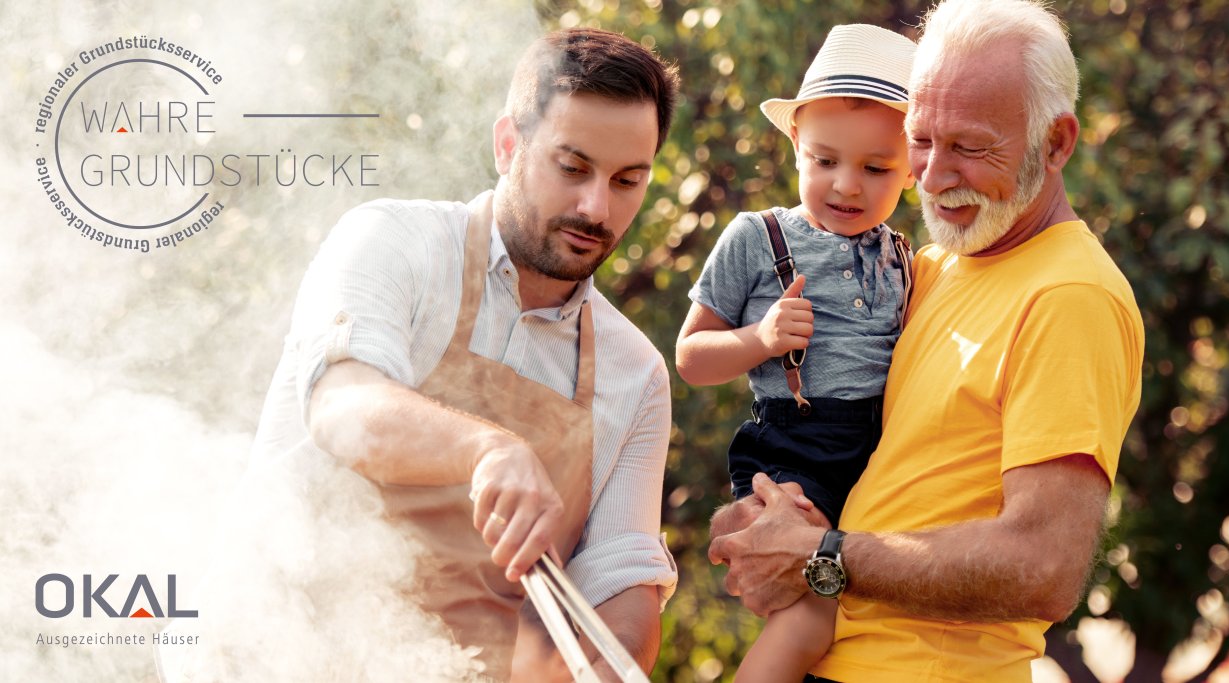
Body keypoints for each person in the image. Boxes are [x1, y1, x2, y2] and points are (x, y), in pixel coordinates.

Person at [707, 1, 1145, 681]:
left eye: (970, 147)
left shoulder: (1069, 297)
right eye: (921, 139)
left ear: (1056, 143)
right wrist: (763, 517)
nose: (934, 177)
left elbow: (1044, 565)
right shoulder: (927, 267)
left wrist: (821, 555)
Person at [251, 28, 680, 681]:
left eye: (628, 180)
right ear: (509, 144)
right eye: (573, 167)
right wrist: (489, 450)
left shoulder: (637, 374)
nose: (598, 206)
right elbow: (343, 406)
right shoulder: (393, 241)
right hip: (277, 651)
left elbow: (622, 587)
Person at [674, 24, 916, 683]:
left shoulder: (902, 256)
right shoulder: (757, 237)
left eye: (876, 168)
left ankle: (738, 528)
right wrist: (762, 339)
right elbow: (691, 356)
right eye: (824, 160)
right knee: (814, 607)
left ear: (913, 166)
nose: (847, 185)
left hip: (871, 456)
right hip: (797, 446)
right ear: (795, 148)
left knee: (859, 592)